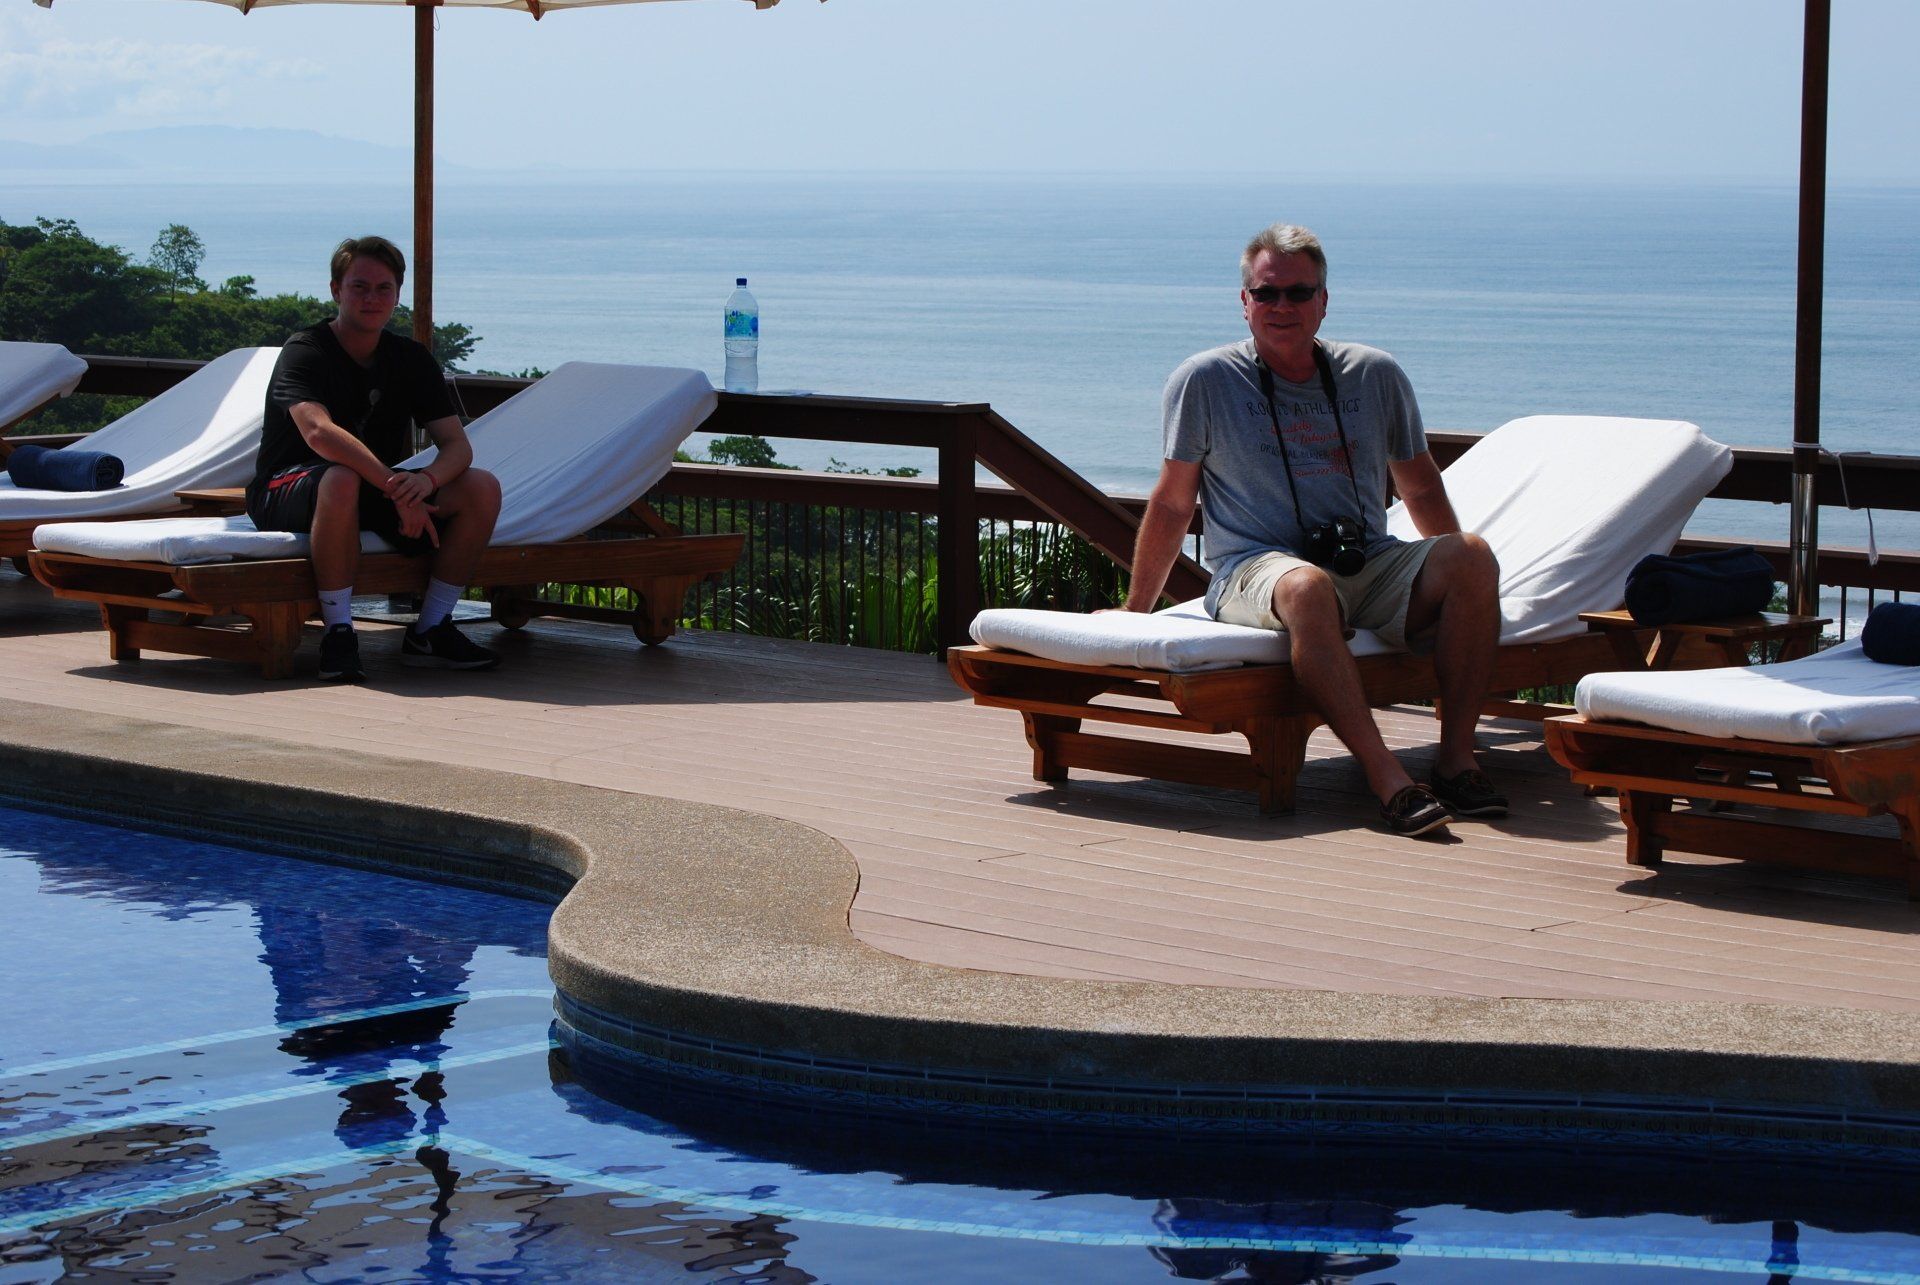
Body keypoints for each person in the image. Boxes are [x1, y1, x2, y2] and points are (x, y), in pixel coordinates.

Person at [1119, 223, 1504, 837]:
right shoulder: (1205, 380)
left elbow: (1421, 484)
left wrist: (1452, 578)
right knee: (1304, 586)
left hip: (1364, 560)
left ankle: (1457, 758)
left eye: (1299, 294)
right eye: (1266, 293)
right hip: (1255, 570)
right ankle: (1388, 779)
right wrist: (1135, 612)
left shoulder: (1375, 374)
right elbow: (1172, 502)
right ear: (1243, 300)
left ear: (1325, 300)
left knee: (1473, 556)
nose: (1282, 307)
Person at [247, 236, 503, 683]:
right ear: (336, 290)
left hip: (371, 487)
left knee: (481, 486)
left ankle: (431, 629)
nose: (371, 298)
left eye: (383, 288)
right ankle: (339, 632)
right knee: (342, 477)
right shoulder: (306, 350)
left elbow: (457, 446)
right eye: (359, 286)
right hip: (285, 487)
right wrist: (394, 487)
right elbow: (317, 432)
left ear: (397, 295)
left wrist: (421, 484)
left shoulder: (410, 358)